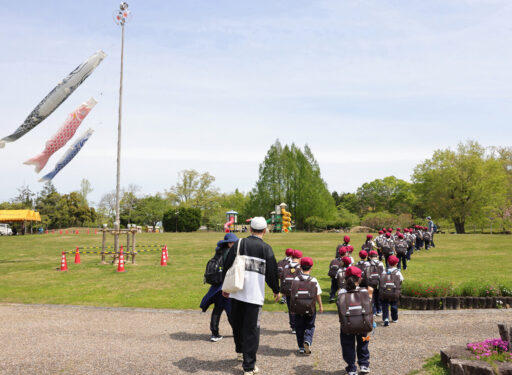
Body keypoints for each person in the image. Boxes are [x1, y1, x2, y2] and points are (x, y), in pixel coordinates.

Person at [222, 217, 281, 375]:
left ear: (249, 229)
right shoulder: (266, 249)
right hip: (254, 295)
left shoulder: (239, 244)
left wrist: (224, 286)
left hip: (236, 291)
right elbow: (272, 273)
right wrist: (276, 289)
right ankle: (249, 366)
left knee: (238, 324)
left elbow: (227, 264)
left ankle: (240, 351)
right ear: (265, 230)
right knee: (252, 330)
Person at [200, 232, 238, 342]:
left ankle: (214, 333)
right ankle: (236, 332)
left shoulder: (219, 252)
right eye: (233, 242)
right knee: (230, 311)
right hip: (225, 286)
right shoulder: (230, 253)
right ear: (229, 243)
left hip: (216, 287)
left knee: (217, 310)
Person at [338, 266, 373, 375]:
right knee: (364, 342)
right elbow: (370, 308)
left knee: (347, 345)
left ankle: (351, 367)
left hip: (347, 325)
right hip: (363, 324)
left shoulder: (341, 292)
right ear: (359, 279)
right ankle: (364, 364)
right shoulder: (365, 291)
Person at [290, 256, 323, 355]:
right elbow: (318, 295)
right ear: (311, 267)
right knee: (310, 325)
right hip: (310, 307)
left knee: (299, 327)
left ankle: (301, 347)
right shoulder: (314, 280)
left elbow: (292, 295)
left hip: (298, 307)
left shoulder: (295, 279)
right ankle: (307, 341)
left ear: (300, 267)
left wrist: (292, 308)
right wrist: (320, 305)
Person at [281, 249, 302, 333]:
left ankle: (293, 326)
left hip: (287, 290)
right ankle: (298, 325)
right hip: (297, 290)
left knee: (291, 308)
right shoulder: (299, 267)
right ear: (299, 257)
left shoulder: (286, 266)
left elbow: (282, 278)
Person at [379, 255, 404, 327]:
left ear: (387, 262)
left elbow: (380, 280)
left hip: (384, 292)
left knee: (385, 305)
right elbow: (401, 280)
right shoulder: (397, 272)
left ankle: (386, 318)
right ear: (396, 263)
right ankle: (394, 318)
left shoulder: (384, 271)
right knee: (394, 305)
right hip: (394, 292)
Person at [368, 250, 384, 316]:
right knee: (378, 296)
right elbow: (383, 273)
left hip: (371, 282)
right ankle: (379, 310)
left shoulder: (368, 263)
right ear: (377, 256)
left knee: (372, 297)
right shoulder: (381, 263)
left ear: (369, 257)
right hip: (379, 281)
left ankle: (373, 311)